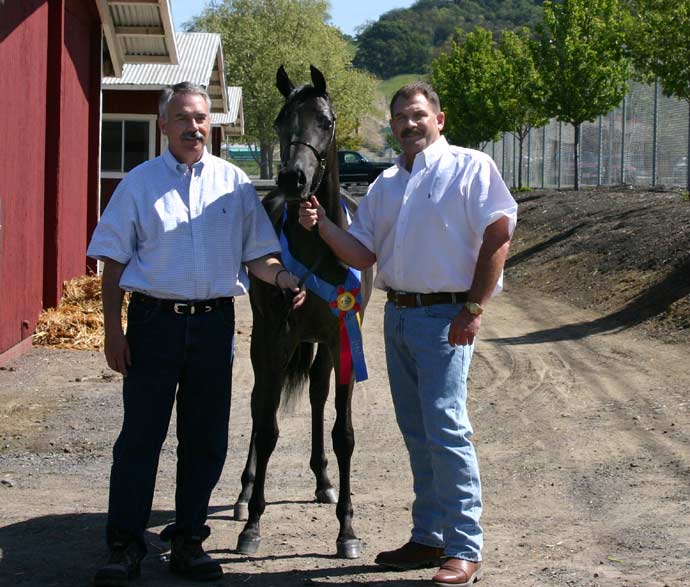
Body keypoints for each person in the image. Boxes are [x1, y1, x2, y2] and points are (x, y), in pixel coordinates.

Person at [299, 82, 517, 586]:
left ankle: (465, 546)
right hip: (397, 317)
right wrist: (322, 227)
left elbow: (499, 233)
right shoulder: (386, 184)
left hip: (446, 318)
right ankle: (428, 536)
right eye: (400, 117)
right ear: (393, 127)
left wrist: (473, 307)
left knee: (446, 429)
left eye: (418, 115)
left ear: (438, 120)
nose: (409, 124)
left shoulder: (471, 167)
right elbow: (361, 254)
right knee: (418, 433)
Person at [87, 82, 305, 586]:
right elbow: (113, 263)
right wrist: (112, 332)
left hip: (213, 325)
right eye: (183, 118)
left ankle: (188, 541)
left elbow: (257, 255)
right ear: (163, 125)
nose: (194, 127)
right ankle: (124, 547)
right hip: (152, 325)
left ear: (212, 123)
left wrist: (283, 276)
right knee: (141, 438)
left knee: (205, 439)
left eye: (202, 118)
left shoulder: (234, 183)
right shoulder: (138, 185)